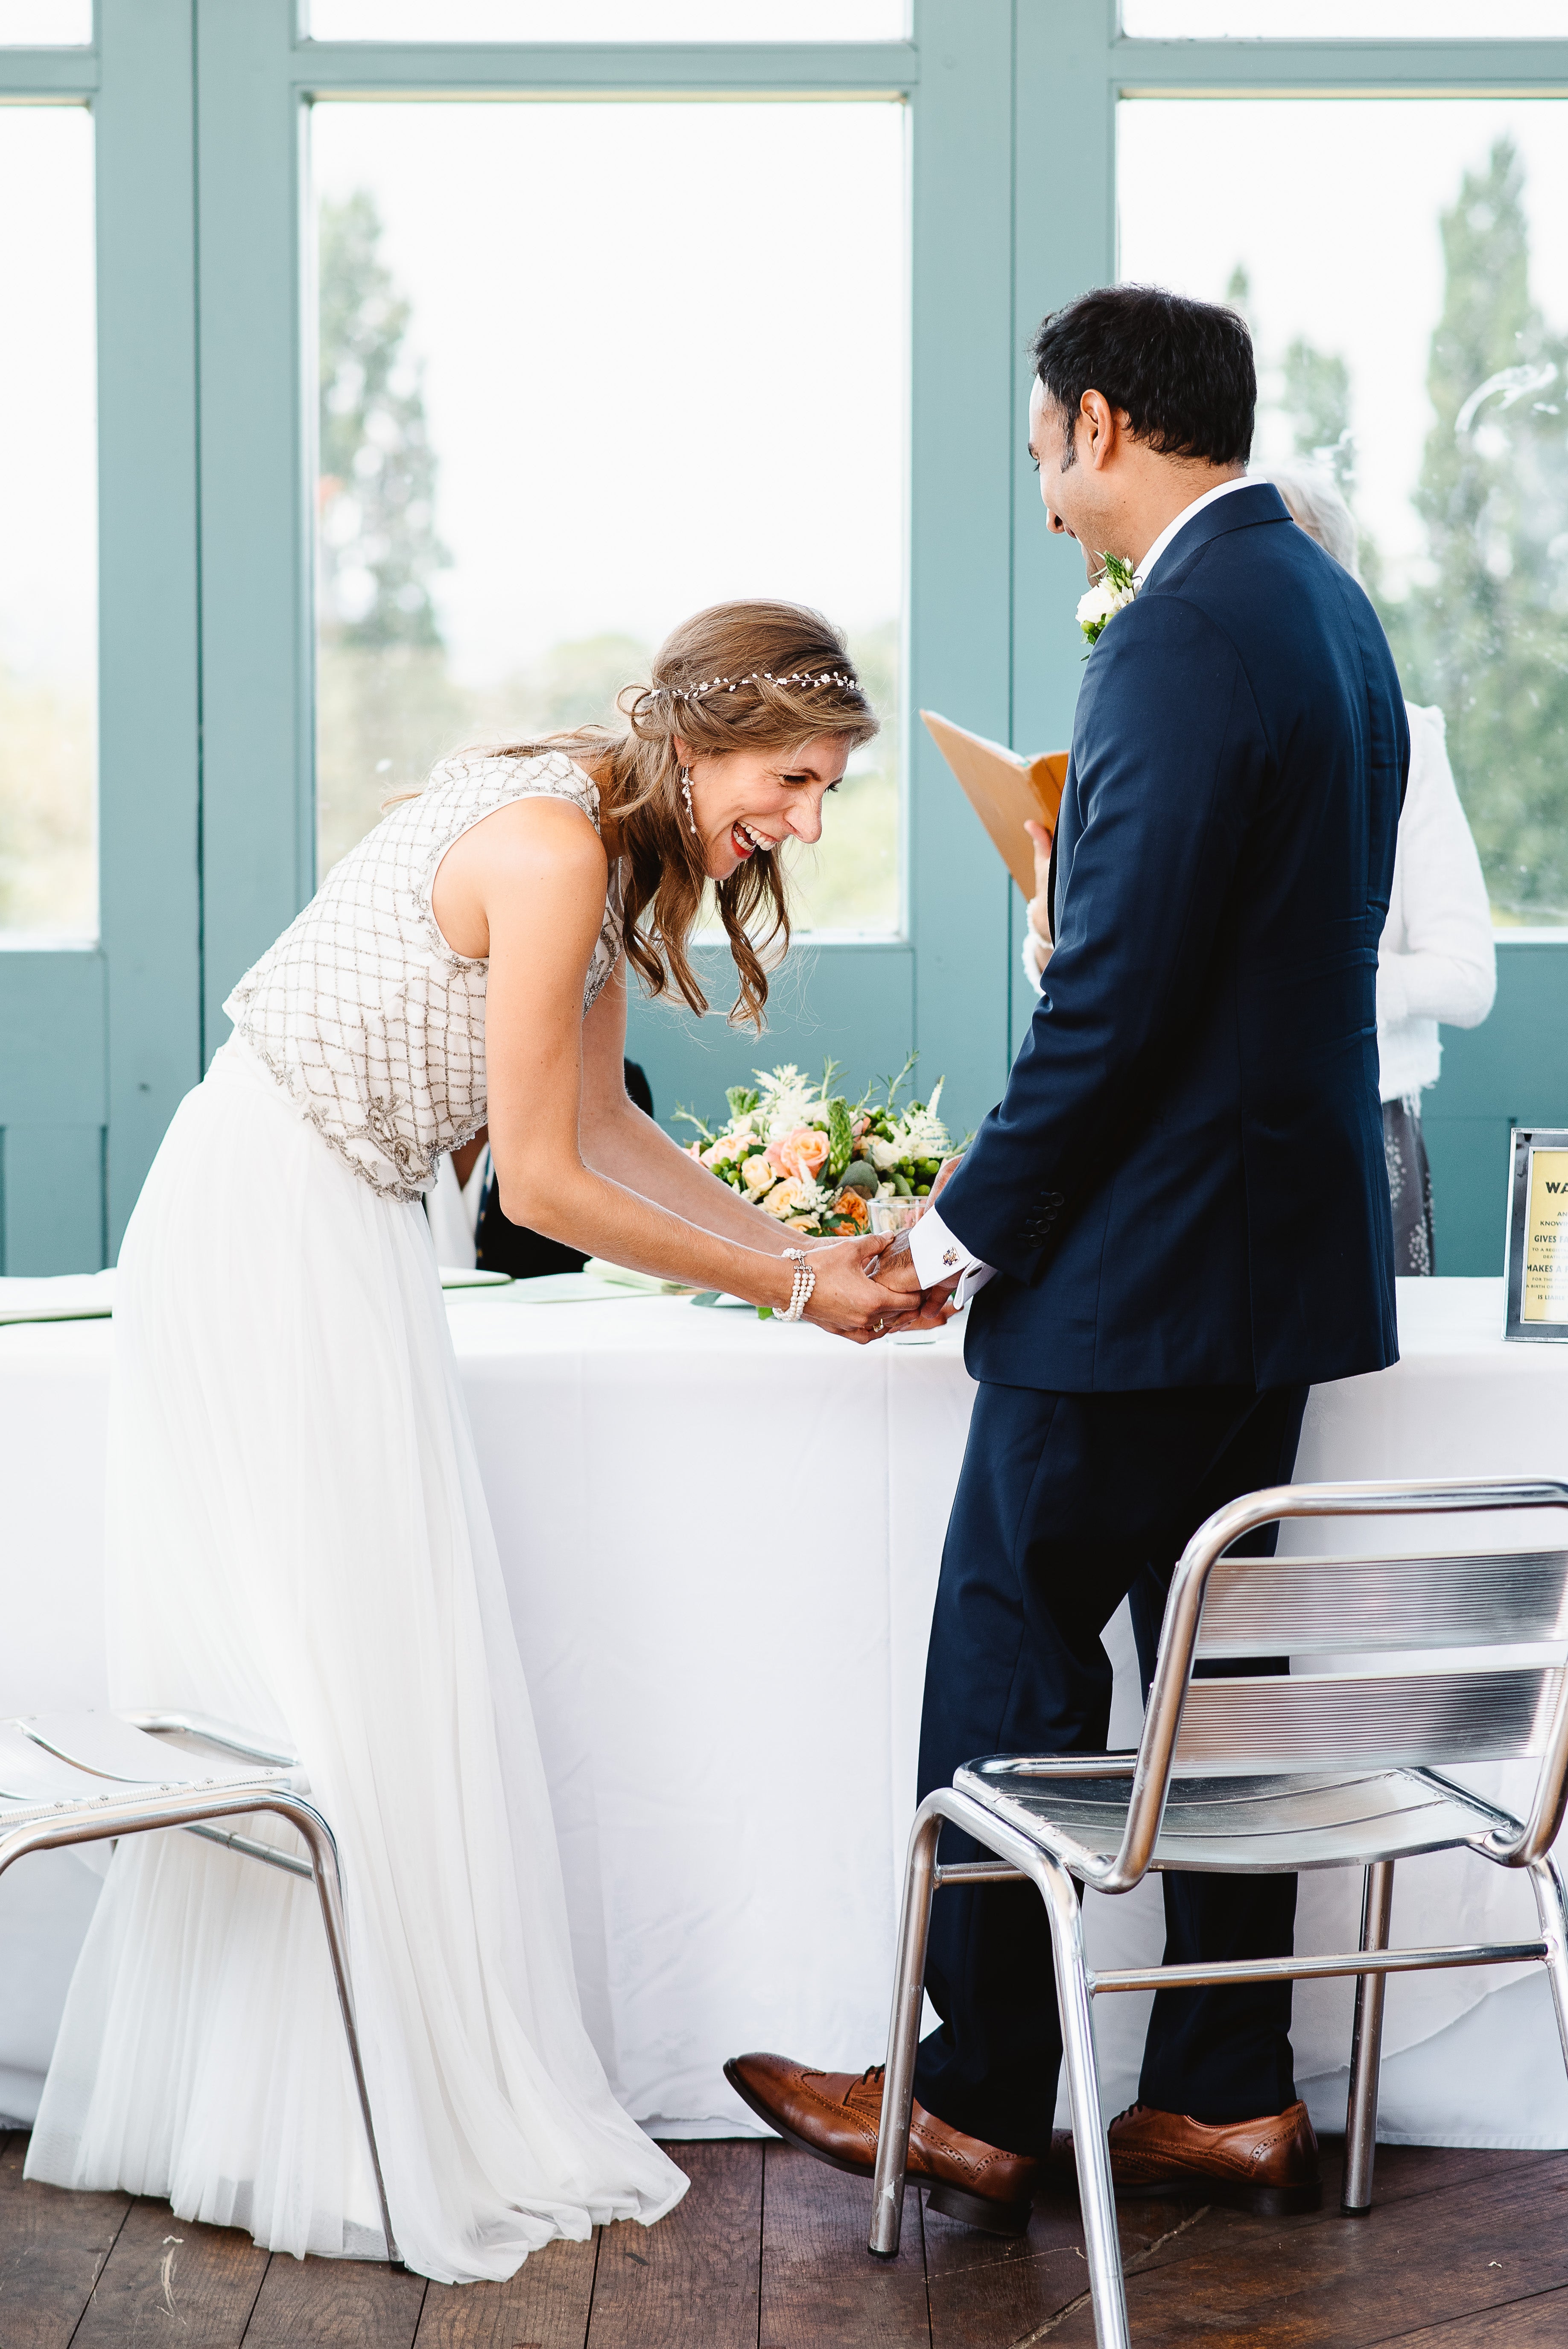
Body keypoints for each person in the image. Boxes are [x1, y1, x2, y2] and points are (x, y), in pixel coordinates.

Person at [27, 601, 896, 2285]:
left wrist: (795, 1252)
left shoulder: (596, 829)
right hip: (270, 1224)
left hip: (321, 1223)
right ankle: (328, 2117)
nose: (802, 818)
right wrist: (793, 1290)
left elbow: (608, 1123)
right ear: (708, 743)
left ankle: (312, 2098)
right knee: (333, 1671)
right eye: (793, 776)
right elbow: (547, 1184)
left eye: (824, 790)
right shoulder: (558, 845)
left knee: (355, 1665)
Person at [728, 287, 1407, 2230]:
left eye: (1042, 450)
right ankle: (1217, 2094)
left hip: (1132, 1284)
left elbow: (1111, 1011)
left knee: (1006, 1656)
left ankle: (969, 2096)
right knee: (1220, 1673)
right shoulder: (1326, 612)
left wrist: (952, 1236)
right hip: (1271, 1275)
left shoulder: (1183, 632)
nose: (1041, 497)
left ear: (1104, 422)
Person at [1250, 468, 1495, 1274]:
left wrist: (1319, 984)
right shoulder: (1208, 735)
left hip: (1357, 1127)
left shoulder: (1407, 740)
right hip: (1222, 1139)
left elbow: (1466, 978)